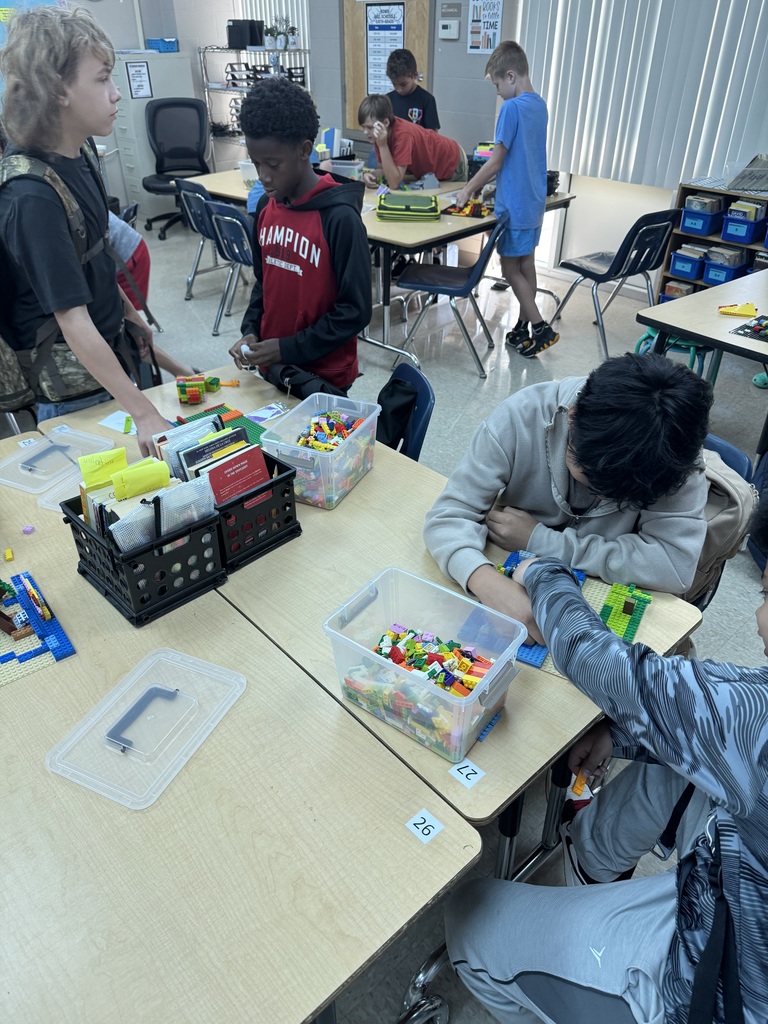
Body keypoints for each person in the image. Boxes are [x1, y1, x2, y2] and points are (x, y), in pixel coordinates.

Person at [444, 496, 768, 1024]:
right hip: (740, 906)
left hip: (711, 997)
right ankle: (588, 884)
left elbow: (605, 666)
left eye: (767, 597)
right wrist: (623, 739)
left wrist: (543, 568)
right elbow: (717, 714)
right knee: (667, 769)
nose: (754, 617)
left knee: (469, 915)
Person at [423, 353, 713, 644]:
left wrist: (540, 541)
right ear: (571, 418)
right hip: (512, 576)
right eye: (589, 479)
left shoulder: (676, 463)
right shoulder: (521, 416)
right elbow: (449, 516)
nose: (599, 495)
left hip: (596, 602)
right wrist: (485, 581)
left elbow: (672, 566)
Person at [0, 6, 172, 456]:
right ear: (57, 88)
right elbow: (72, 320)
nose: (116, 94)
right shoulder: (31, 196)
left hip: (107, 358)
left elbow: (93, 261)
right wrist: (144, 412)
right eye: (102, 79)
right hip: (72, 384)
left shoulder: (80, 152)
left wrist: (137, 322)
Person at [228, 77, 372, 397]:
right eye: (256, 163)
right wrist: (251, 331)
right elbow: (263, 285)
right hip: (273, 367)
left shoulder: (340, 218)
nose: (263, 176)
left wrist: (288, 347)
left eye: (273, 164)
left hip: (323, 377)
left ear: (305, 150)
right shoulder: (266, 207)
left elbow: (356, 310)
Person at [455, 40, 556, 358]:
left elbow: (496, 161)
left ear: (511, 76)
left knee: (510, 268)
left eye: (498, 83)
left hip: (514, 206)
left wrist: (468, 188)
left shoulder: (511, 109)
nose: (497, 91)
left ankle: (540, 328)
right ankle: (521, 328)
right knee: (526, 265)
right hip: (534, 201)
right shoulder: (539, 105)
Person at [359, 95, 466, 191]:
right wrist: (370, 175)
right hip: (430, 166)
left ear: (386, 123)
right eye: (363, 127)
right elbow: (384, 170)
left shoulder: (403, 134)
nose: (365, 132)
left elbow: (394, 183)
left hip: (452, 160)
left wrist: (383, 146)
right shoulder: (379, 133)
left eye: (369, 127)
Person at [385, 48, 441, 130]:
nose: (399, 89)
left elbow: (433, 138)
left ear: (415, 75)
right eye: (394, 84)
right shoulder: (387, 100)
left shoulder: (427, 100)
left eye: (403, 84)